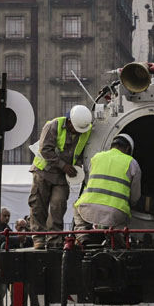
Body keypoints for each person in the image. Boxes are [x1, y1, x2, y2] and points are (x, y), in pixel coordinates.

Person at [29, 105, 93, 249]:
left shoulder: (85, 131)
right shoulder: (53, 126)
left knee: (58, 205)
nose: (77, 132)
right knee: (39, 205)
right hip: (43, 172)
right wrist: (63, 165)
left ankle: (54, 239)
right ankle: (39, 238)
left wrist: (78, 167)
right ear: (69, 121)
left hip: (62, 177)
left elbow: (83, 152)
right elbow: (45, 149)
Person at [73, 134, 142, 247]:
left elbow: (90, 179)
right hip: (116, 213)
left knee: (76, 208)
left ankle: (82, 236)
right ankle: (116, 237)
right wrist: (131, 204)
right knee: (124, 217)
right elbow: (135, 195)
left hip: (88, 208)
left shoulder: (96, 157)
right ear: (128, 149)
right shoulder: (132, 163)